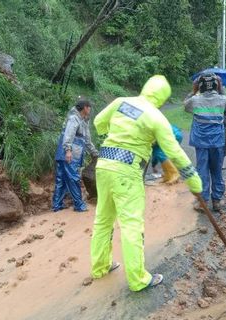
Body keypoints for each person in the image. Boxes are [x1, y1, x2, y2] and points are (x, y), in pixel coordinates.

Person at [90, 75, 203, 291]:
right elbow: (175, 153)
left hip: (103, 165)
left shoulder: (120, 102)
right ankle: (138, 279)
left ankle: (100, 267)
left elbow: (98, 122)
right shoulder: (156, 117)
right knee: (132, 225)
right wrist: (194, 180)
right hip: (126, 171)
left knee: (103, 220)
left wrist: (113, 138)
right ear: (161, 98)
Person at [184, 73, 226, 213]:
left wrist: (193, 90)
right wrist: (220, 88)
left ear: (200, 86)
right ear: (217, 85)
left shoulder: (195, 101)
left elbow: (186, 106)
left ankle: (202, 201)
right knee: (216, 170)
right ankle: (217, 201)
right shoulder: (223, 100)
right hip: (217, 142)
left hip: (201, 142)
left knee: (202, 171)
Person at [52, 98, 98, 212]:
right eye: (89, 107)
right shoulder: (74, 119)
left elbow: (87, 140)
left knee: (61, 179)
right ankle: (79, 205)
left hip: (68, 154)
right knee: (73, 178)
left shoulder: (83, 120)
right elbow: (68, 135)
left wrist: (94, 152)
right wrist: (68, 150)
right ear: (85, 108)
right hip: (69, 155)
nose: (90, 110)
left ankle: (57, 205)